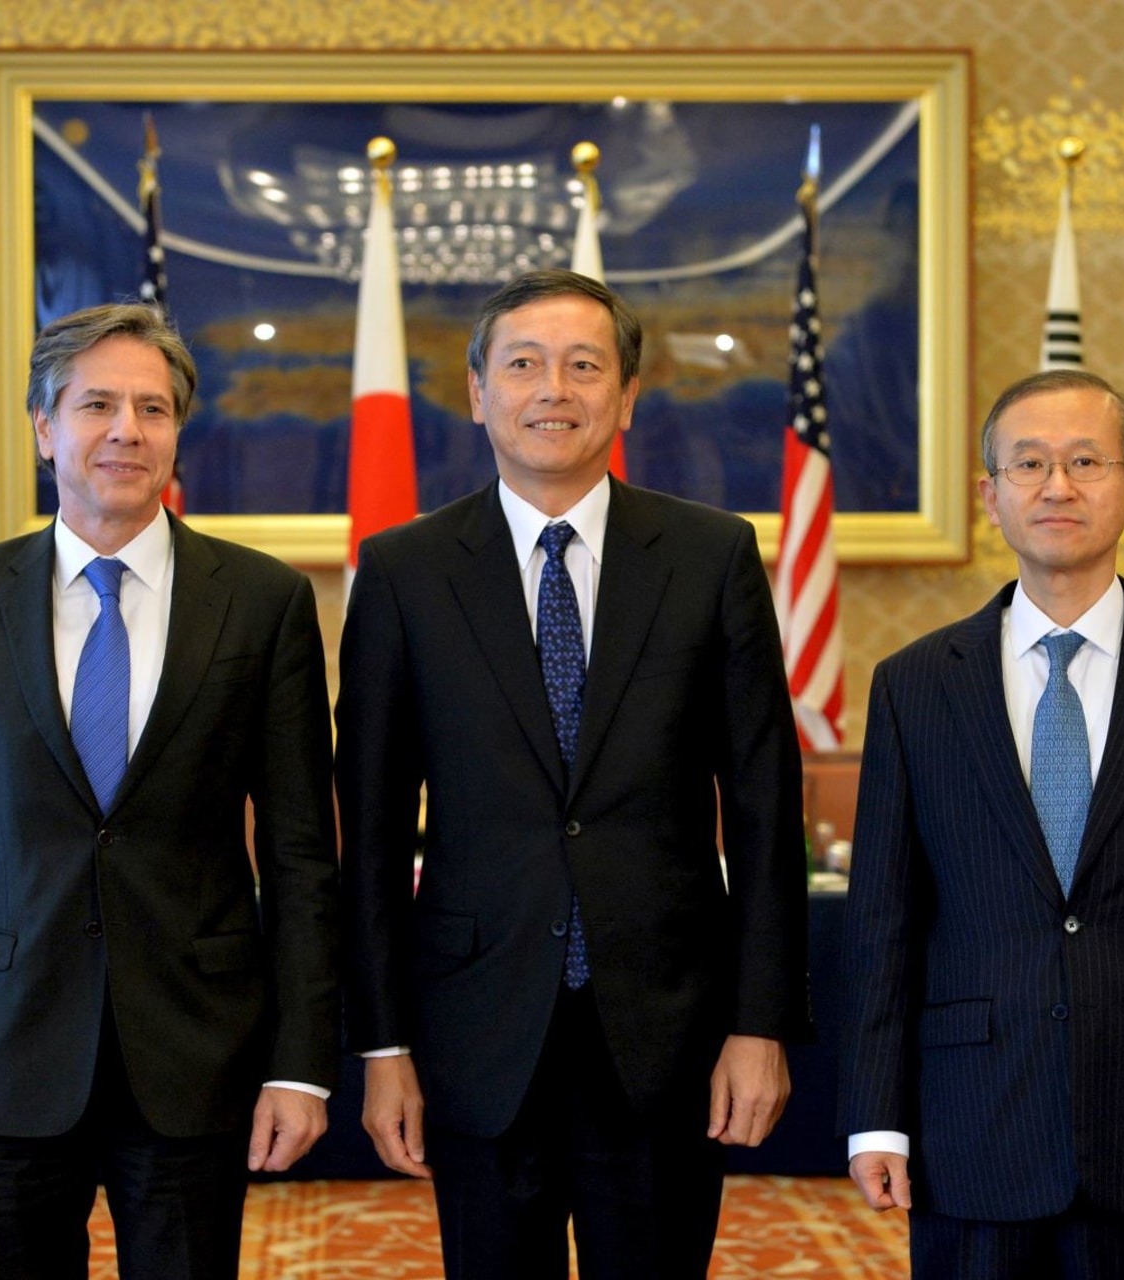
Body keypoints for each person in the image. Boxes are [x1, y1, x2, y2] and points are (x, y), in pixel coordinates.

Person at [336, 268, 811, 1279]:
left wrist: (760, 1022)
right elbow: (371, 833)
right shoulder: (404, 572)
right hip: (475, 1029)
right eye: (524, 363)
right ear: (476, 391)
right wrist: (382, 1046)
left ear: (627, 394)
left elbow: (768, 809)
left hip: (668, 1028)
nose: (554, 388)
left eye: (584, 365)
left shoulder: (710, 556)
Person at [0, 302, 339, 1280]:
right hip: (1, 1055)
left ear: (177, 431)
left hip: (197, 1053)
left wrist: (299, 1060)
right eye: (97, 404)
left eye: (153, 407)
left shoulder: (264, 601)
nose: (126, 428)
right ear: (45, 428)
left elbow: (300, 857)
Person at [838, 368, 1124, 1278]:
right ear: (990, 495)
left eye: (1086, 461)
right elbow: (885, 920)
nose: (1057, 486)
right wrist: (874, 1114)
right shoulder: (914, 683)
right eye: (1030, 464)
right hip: (973, 1112)